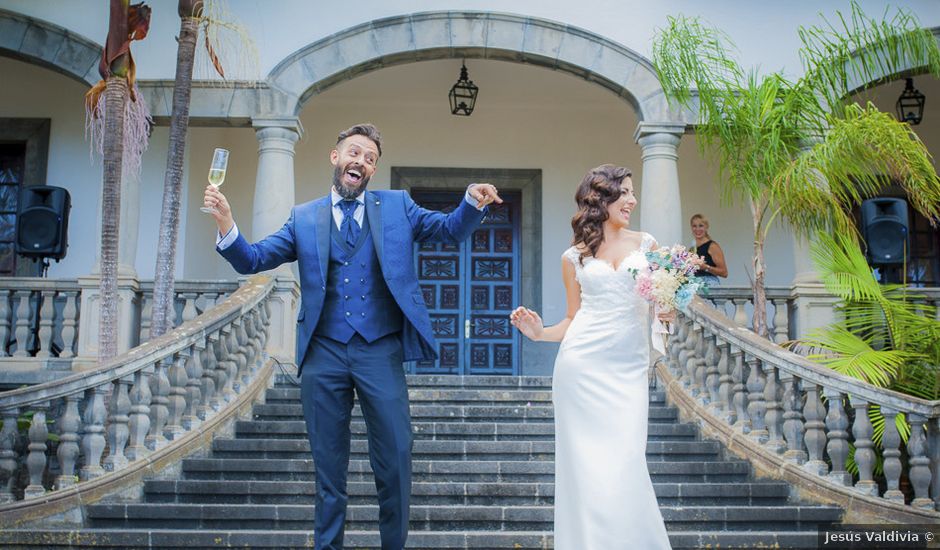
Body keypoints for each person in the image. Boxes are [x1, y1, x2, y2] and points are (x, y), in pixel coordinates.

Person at [204, 123, 502, 550]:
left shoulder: (398, 206)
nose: (360, 161)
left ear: (373, 170)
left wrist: (471, 201)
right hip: (323, 354)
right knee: (329, 471)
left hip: (379, 350)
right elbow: (253, 259)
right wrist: (227, 224)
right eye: (354, 152)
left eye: (370, 158)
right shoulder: (304, 217)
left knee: (396, 460)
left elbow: (449, 230)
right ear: (335, 156)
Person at [510, 164, 672, 550]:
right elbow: (572, 318)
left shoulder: (648, 245)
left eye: (633, 193)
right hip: (581, 368)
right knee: (586, 469)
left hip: (628, 369)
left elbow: (662, 301)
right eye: (626, 192)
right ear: (602, 197)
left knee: (626, 460)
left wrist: (668, 308)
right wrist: (538, 333)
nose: (633, 200)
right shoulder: (574, 257)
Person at [690, 213, 728, 285]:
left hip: (709, 284)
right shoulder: (692, 248)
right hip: (694, 285)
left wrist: (706, 267)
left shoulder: (712, 246)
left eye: (701, 226)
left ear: (706, 227)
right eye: (694, 226)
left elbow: (724, 273)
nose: (697, 229)